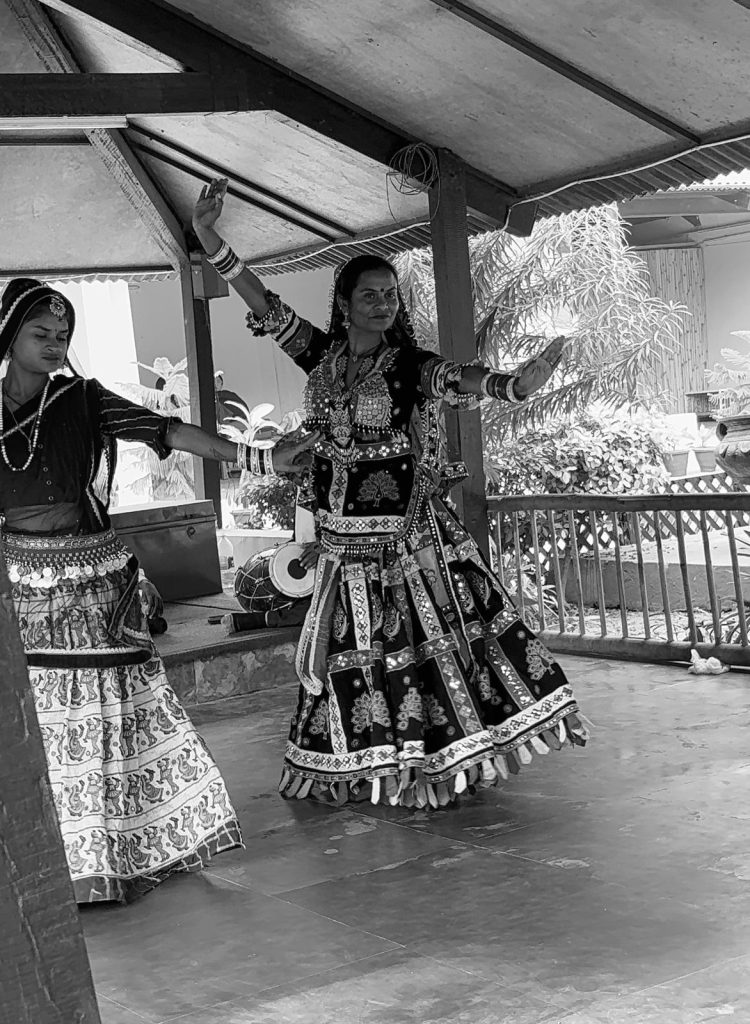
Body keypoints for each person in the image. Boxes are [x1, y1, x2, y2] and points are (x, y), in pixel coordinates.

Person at [192, 179, 588, 810]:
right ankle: (360, 762)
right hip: (341, 539)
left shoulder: (408, 365)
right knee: (353, 653)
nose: (382, 304)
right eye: (369, 295)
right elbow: (262, 301)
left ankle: (432, 764)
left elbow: (458, 378)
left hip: (406, 538)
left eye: (390, 296)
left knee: (421, 649)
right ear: (344, 303)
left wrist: (514, 384)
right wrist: (212, 240)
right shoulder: (318, 356)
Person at [0, 276, 316, 902]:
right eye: (42, 334)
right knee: (36, 720)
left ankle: (109, 855)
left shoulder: (85, 399)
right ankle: (48, 855)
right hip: (18, 587)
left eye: (64, 335)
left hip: (92, 587)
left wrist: (257, 460)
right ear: (9, 338)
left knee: (105, 717)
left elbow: (166, 432)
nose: (56, 344)